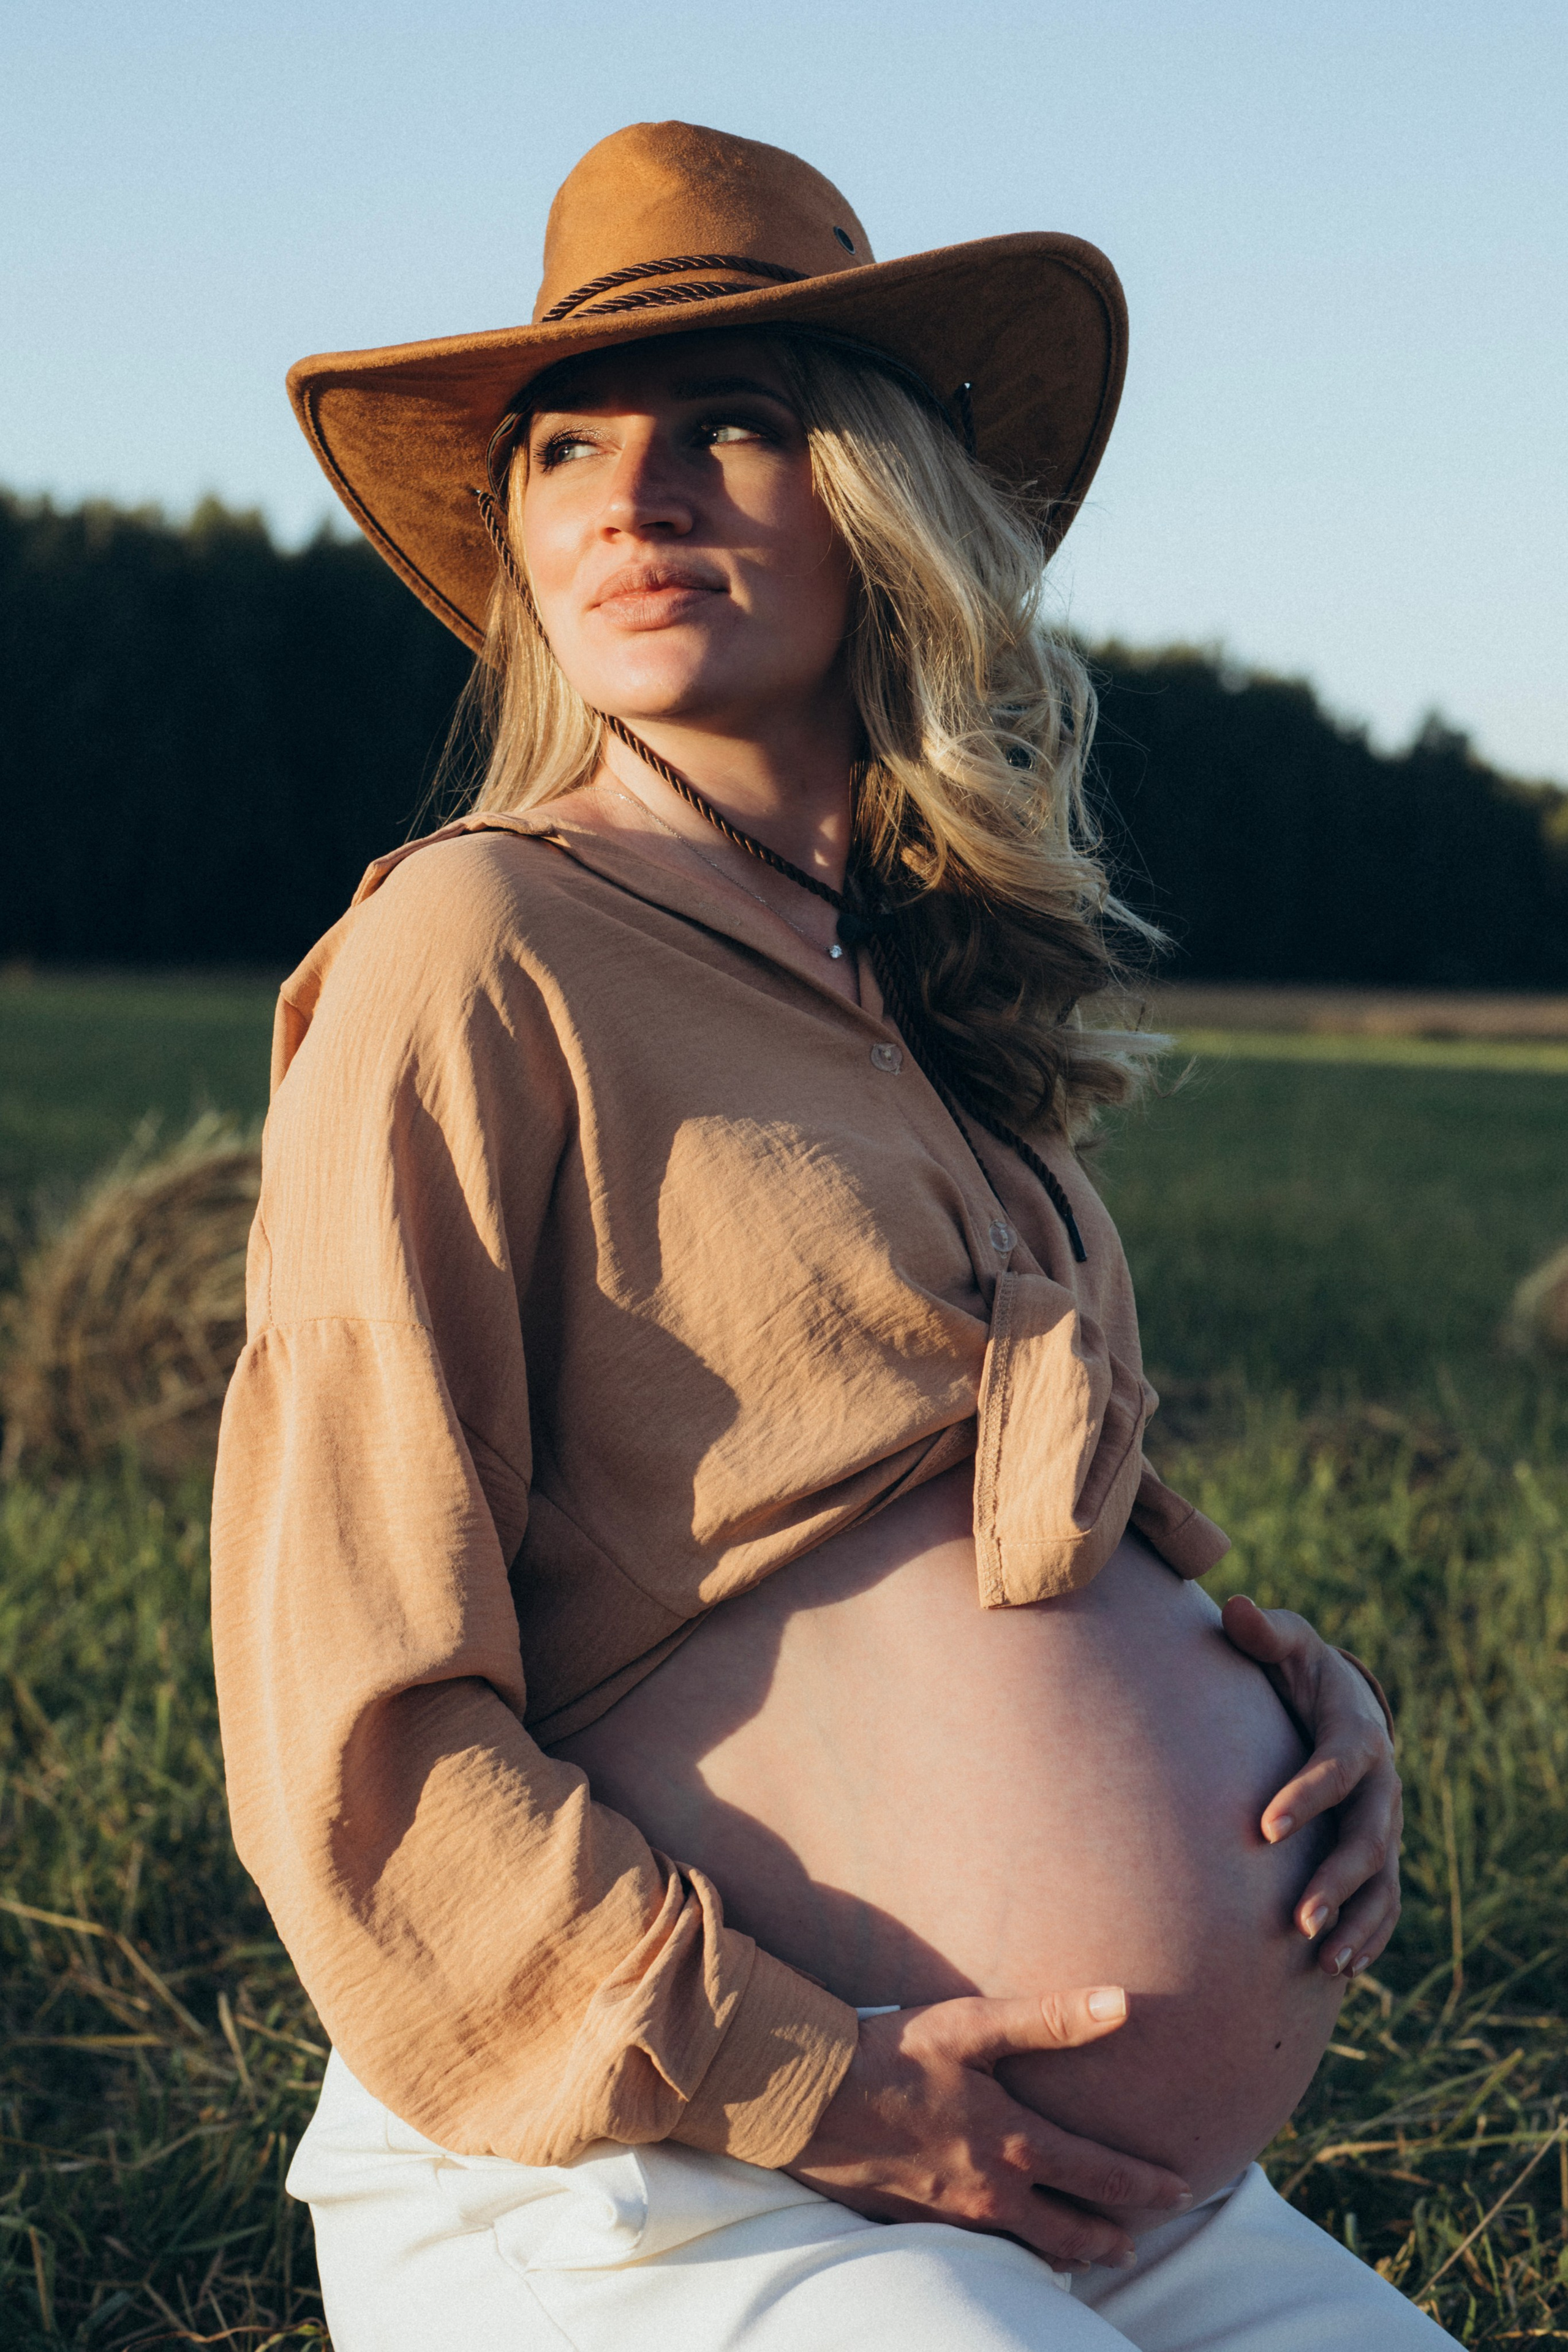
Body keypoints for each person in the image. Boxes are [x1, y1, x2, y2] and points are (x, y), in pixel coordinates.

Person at [211, 120, 1451, 2348]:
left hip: (1080, 2176)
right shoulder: (476, 947)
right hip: (650, 2160)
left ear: (882, 504)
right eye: (567, 446)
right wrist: (822, 2082)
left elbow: (1019, 1555)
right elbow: (352, 1699)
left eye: (735, 428)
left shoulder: (940, 1010)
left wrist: (1291, 1707)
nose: (633, 495)